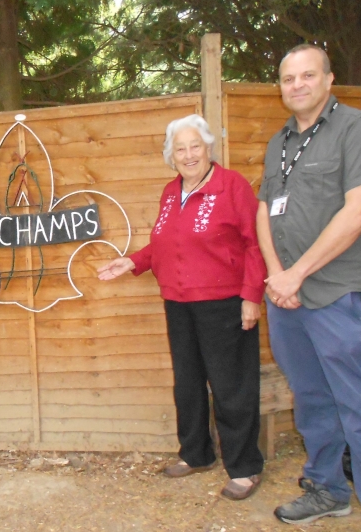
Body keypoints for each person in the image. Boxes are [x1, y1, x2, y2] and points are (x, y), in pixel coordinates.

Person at [257, 44, 361, 531]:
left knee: (360, 410)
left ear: (329, 79)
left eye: (307, 75)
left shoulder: (357, 128)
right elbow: (264, 210)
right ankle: (328, 490)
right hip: (286, 301)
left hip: (337, 297)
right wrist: (278, 277)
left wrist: (296, 275)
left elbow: (359, 211)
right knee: (313, 402)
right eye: (288, 78)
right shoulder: (278, 142)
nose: (297, 85)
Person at [98, 114, 266, 500]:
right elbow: (165, 244)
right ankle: (196, 454)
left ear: (208, 148)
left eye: (195, 146)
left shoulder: (232, 186)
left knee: (231, 387)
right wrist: (133, 261)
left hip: (224, 304)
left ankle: (244, 467)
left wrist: (251, 296)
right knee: (188, 385)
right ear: (170, 156)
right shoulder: (171, 192)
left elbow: (254, 244)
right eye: (181, 149)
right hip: (178, 302)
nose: (189, 155)